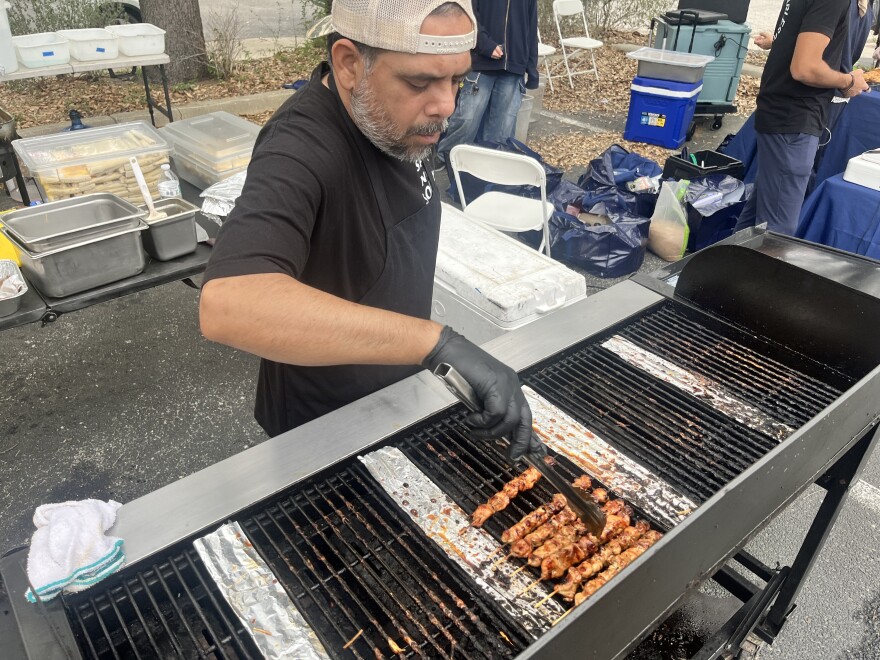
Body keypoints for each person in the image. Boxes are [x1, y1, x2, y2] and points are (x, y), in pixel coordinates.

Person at [198, 0, 541, 463]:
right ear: (349, 64)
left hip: (398, 397)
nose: (446, 106)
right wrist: (437, 343)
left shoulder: (394, 120)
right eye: (419, 82)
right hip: (324, 430)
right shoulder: (300, 147)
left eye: (457, 80)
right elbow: (229, 304)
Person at [735, 0, 869, 236]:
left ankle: (719, 271)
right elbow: (804, 68)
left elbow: (799, 43)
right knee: (776, 234)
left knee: (755, 224)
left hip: (782, 112)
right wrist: (848, 81)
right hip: (793, 118)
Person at [436, 0, 539, 165]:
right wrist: (485, 44)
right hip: (481, 63)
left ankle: (486, 172)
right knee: (466, 120)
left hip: (513, 68)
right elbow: (467, 16)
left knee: (501, 131)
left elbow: (531, 28)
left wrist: (532, 70)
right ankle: (446, 158)